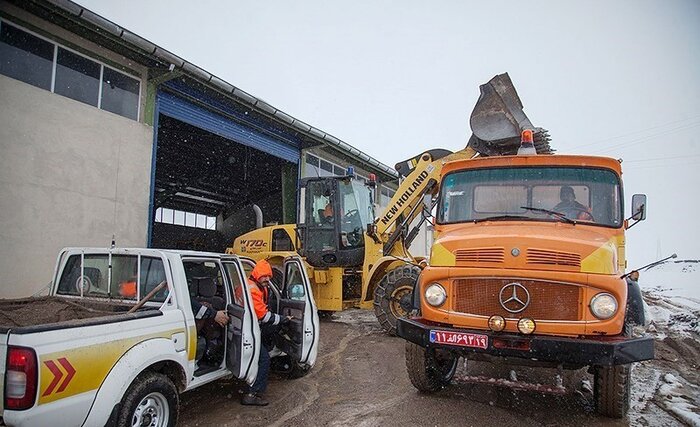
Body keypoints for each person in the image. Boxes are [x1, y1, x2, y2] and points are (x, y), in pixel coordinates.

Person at [241, 259, 292, 406]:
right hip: (250, 330)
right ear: (257, 275)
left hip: (248, 327)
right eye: (264, 276)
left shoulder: (251, 284)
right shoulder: (254, 290)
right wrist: (283, 320)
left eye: (269, 277)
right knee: (263, 360)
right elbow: (263, 316)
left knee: (261, 353)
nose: (267, 279)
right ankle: (252, 394)